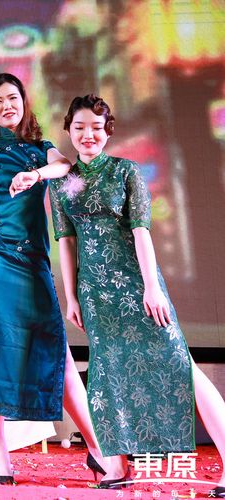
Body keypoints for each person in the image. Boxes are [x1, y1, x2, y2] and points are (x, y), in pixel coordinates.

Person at [0, 73, 112, 485]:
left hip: (31, 257)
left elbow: (64, 166)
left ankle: (97, 448)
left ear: (23, 102)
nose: (6, 106)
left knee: (56, 350)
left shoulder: (41, 148)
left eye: (12, 98)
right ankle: (0, 456)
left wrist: (36, 175)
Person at [49, 94, 225, 493]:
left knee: (182, 367)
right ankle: (116, 466)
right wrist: (71, 297)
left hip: (137, 286)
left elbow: (141, 231)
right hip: (95, 294)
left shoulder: (126, 171)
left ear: (108, 131)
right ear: (69, 131)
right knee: (108, 377)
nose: (88, 134)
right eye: (80, 127)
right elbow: (66, 241)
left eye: (96, 127)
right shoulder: (62, 182)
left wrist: (151, 287)